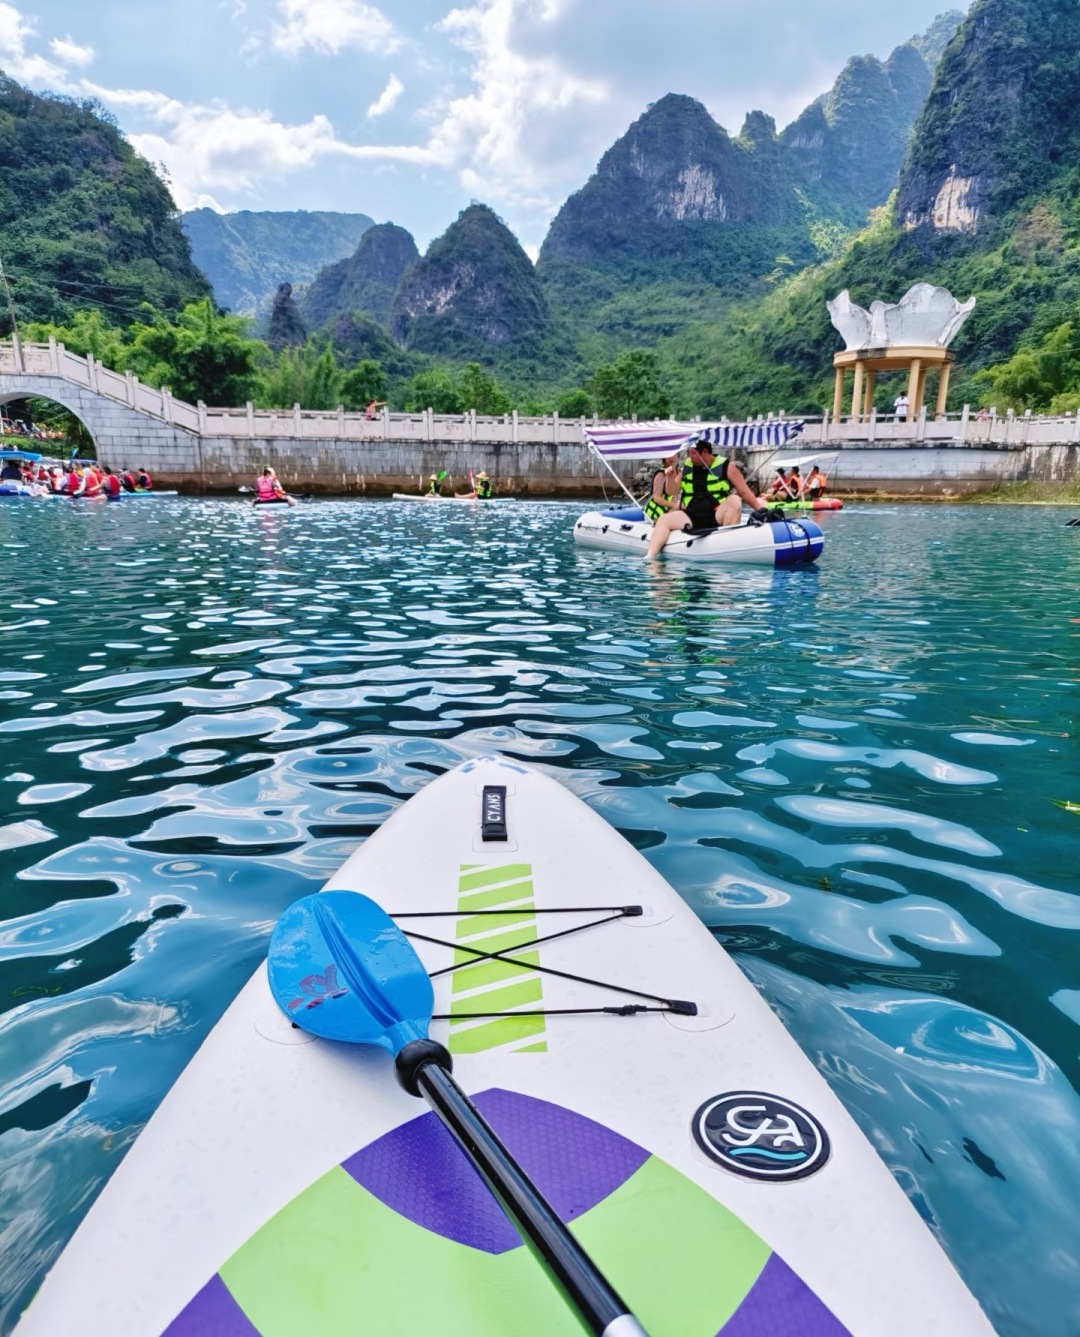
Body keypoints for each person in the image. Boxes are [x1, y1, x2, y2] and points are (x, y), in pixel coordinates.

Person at [645, 439, 765, 559]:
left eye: (693, 453)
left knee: (735, 500)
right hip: (691, 515)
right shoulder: (688, 465)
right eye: (689, 453)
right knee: (664, 519)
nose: (690, 457)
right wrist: (670, 478)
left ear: (705, 452)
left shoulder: (726, 466)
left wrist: (760, 511)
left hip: (717, 514)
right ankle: (650, 558)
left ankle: (726, 546)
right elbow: (672, 491)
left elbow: (744, 492)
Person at [643, 456, 680, 522]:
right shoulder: (661, 474)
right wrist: (673, 505)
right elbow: (656, 498)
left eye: (673, 454)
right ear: (664, 458)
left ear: (678, 455)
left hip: (672, 511)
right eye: (668, 455)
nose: (671, 458)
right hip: (655, 515)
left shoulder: (680, 473)